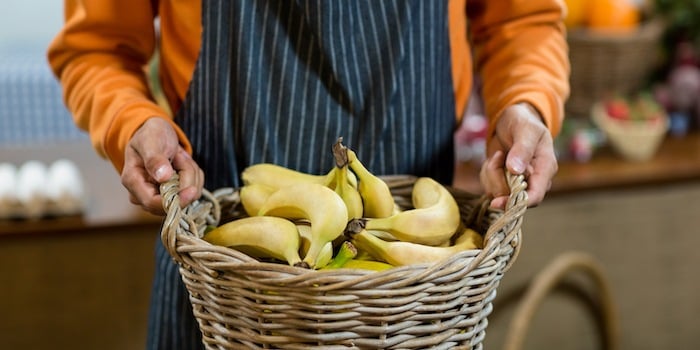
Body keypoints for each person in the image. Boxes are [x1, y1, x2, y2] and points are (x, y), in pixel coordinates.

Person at [47, 0, 570, 348]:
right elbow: (95, 46)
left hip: (412, 297)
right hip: (224, 276)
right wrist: (130, 121)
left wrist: (526, 102)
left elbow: (519, 19)